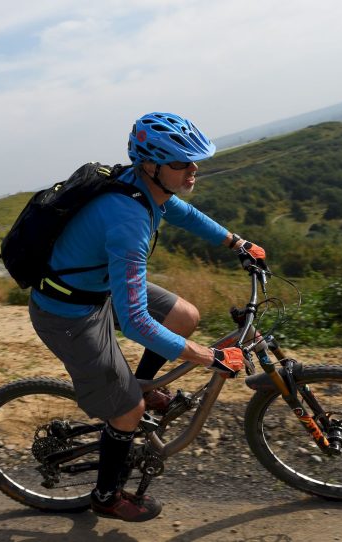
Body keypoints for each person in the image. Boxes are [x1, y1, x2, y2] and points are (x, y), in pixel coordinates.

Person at [28, 112, 266, 522]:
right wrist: (208, 358)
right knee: (128, 413)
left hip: (96, 290)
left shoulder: (142, 186)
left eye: (194, 161)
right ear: (151, 165)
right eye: (181, 163)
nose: (192, 170)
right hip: (67, 313)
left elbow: (182, 213)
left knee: (184, 316)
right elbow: (136, 321)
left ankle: (139, 386)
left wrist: (236, 242)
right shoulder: (127, 222)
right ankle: (106, 493)